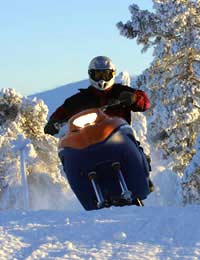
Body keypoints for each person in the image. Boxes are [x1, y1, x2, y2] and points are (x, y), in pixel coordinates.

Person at [44, 56, 154, 192]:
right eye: (97, 74)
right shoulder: (79, 99)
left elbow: (144, 102)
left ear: (112, 74)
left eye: (106, 74)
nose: (102, 78)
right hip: (88, 140)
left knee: (137, 147)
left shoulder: (121, 91)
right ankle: (82, 185)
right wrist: (53, 122)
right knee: (68, 152)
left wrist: (134, 98)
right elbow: (62, 111)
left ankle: (142, 177)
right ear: (91, 75)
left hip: (118, 136)